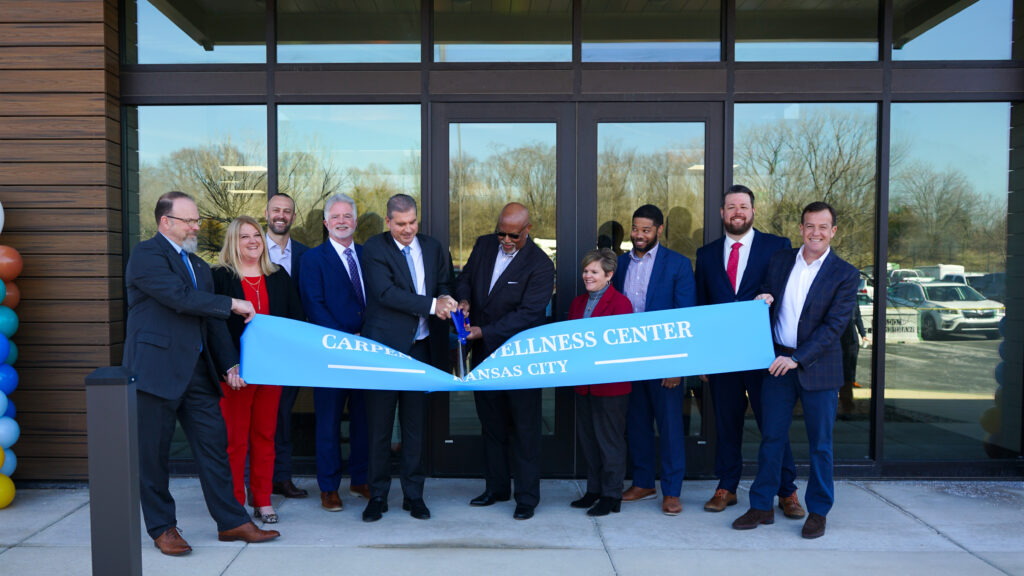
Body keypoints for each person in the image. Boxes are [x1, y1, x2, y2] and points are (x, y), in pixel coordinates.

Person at [124, 191, 279, 556]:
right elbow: (178, 297)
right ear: (166, 222)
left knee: (214, 447)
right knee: (154, 455)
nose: (196, 226)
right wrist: (232, 302)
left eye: (196, 220)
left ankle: (231, 522)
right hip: (155, 373)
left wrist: (228, 364)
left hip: (197, 374)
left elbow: (211, 324)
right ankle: (163, 528)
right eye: (189, 220)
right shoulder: (146, 255)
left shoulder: (198, 266)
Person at [732, 201, 858, 539]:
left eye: (823, 227)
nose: (815, 232)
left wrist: (798, 358)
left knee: (820, 444)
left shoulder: (845, 274)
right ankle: (761, 506)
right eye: (809, 226)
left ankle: (818, 511)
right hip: (777, 365)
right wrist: (764, 298)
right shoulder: (780, 260)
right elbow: (767, 297)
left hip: (816, 368)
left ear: (833, 231)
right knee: (771, 438)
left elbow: (834, 327)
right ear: (801, 229)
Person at [694, 185, 803, 518]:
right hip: (724, 356)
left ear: (753, 211)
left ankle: (787, 491)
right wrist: (702, 355)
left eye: (743, 205)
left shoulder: (778, 246)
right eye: (730, 206)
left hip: (765, 355)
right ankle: (727, 486)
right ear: (722, 213)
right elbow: (701, 306)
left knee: (773, 424)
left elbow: (787, 291)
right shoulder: (707, 254)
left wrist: (768, 294)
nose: (737, 211)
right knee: (726, 423)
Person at [360, 193, 456, 522]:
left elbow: (444, 282)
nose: (408, 229)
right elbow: (385, 293)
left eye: (413, 222)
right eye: (401, 224)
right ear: (388, 222)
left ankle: (414, 495)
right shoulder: (374, 248)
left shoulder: (432, 246)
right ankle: (377, 497)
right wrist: (432, 305)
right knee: (380, 428)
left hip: (421, 349)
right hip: (385, 350)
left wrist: (444, 296)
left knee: (415, 427)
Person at [456, 202, 555, 521]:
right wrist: (464, 298)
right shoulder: (485, 244)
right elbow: (466, 277)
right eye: (502, 233)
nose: (506, 240)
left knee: (525, 430)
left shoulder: (541, 265)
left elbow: (529, 315)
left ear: (528, 230)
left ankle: (526, 497)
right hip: (484, 357)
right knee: (492, 425)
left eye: (514, 235)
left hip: (520, 359)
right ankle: (496, 488)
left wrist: (484, 331)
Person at [212, 216, 305, 524]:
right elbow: (214, 327)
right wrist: (228, 365)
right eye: (244, 236)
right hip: (236, 372)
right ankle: (236, 503)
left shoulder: (278, 276)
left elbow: (295, 320)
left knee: (265, 435)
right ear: (232, 242)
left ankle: (262, 499)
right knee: (235, 440)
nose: (252, 241)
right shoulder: (221, 278)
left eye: (256, 235)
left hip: (270, 370)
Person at [612, 204, 696, 516]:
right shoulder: (619, 264)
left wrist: (677, 365)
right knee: (636, 424)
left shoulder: (678, 264)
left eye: (646, 230)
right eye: (635, 229)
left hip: (665, 360)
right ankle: (643, 482)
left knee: (671, 426)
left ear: (659, 230)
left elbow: (685, 317)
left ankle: (672, 491)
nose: (639, 235)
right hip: (629, 359)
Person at [299, 193, 371, 512]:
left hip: (367, 352)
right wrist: (347, 339)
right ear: (326, 223)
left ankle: (361, 478)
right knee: (328, 422)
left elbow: (378, 301)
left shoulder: (370, 256)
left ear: (355, 221)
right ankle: (328, 487)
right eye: (336, 216)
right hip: (331, 353)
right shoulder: (312, 260)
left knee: (364, 419)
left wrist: (367, 337)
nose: (342, 221)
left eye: (348, 216)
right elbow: (314, 306)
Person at [568, 248, 633, 517]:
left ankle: (611, 495)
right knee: (589, 440)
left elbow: (622, 347)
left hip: (610, 386)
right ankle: (593, 490)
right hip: (584, 384)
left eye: (594, 272)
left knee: (609, 442)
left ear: (609, 275)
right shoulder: (577, 303)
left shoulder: (621, 304)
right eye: (586, 271)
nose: (587, 275)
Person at [264, 193, 312, 499]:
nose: (281, 215)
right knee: (260, 416)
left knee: (283, 415)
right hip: (260, 348)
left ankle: (281, 476)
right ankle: (257, 480)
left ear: (294, 217)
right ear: (266, 213)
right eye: (276, 210)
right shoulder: (251, 250)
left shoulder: (306, 256)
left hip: (293, 350)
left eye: (287, 211)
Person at [838, 305, 869, 416]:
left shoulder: (853, 297)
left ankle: (847, 406)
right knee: (839, 373)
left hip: (851, 341)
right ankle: (842, 405)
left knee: (849, 375)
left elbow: (858, 317)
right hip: (837, 340)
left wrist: (863, 334)